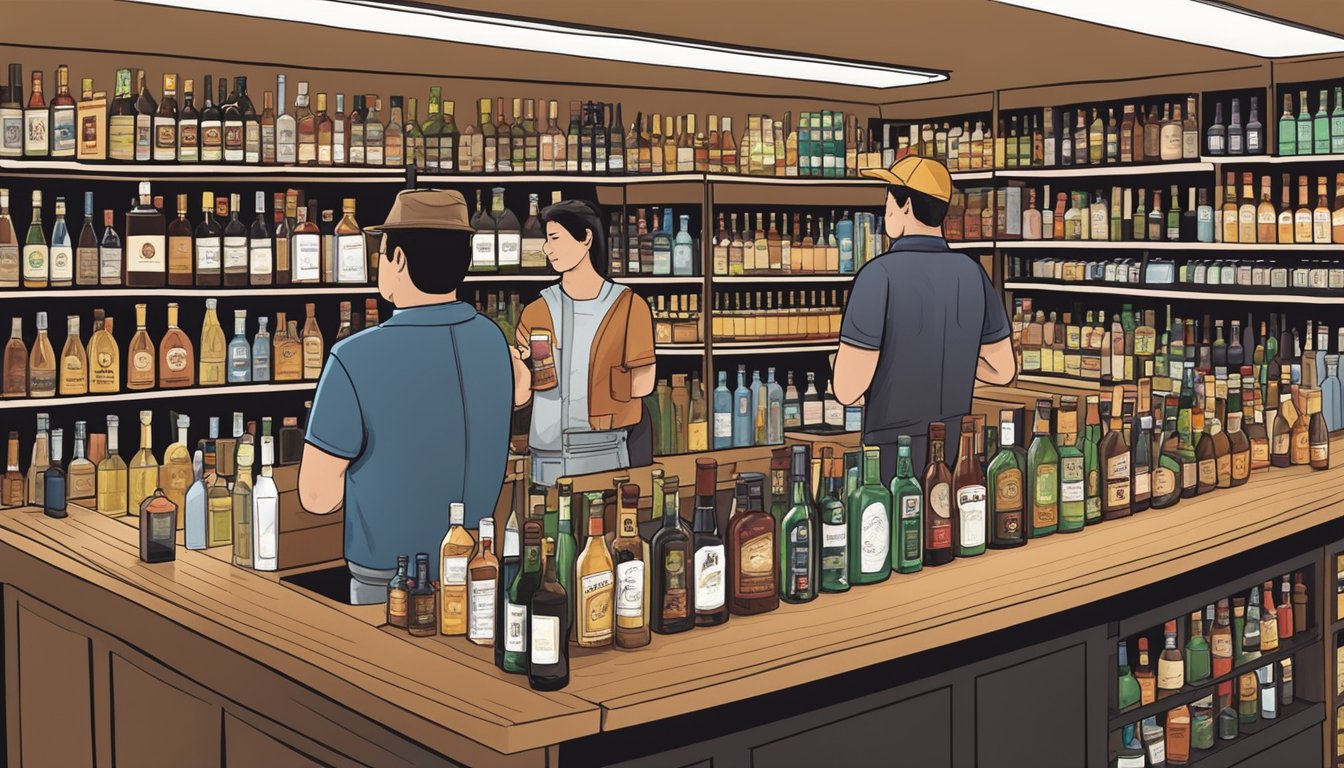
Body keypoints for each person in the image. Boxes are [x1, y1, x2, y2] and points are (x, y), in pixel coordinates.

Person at [299, 189, 513, 605]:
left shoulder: (353, 357)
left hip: (390, 578)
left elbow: (317, 497)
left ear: (397, 259)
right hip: (478, 566)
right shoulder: (493, 341)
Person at [832, 156, 1016, 481]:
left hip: (889, 450)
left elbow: (847, 389)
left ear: (904, 207)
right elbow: (1003, 371)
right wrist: (950, 362)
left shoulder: (878, 275)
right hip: (955, 444)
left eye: (888, 200)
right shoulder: (973, 273)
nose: (886, 210)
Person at [511, 199, 656, 486]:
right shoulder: (536, 310)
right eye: (546, 239)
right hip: (546, 455)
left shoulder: (628, 307)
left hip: (604, 449)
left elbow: (644, 383)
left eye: (554, 238)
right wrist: (519, 375)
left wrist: (588, 383)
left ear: (586, 238)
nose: (546, 248)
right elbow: (522, 395)